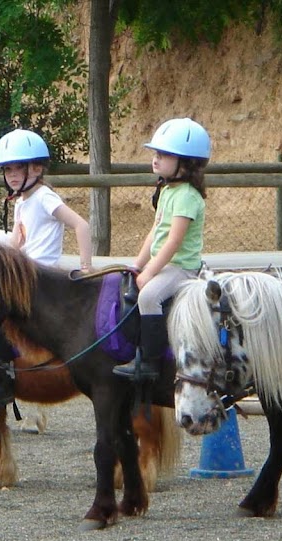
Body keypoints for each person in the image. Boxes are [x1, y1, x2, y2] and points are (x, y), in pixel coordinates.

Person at [0, 129, 94, 411]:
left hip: (41, 277)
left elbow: (81, 225)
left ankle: (2, 383)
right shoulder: (22, 201)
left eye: (18, 168)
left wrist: (86, 269)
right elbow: (16, 243)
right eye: (7, 169)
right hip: (25, 274)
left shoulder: (45, 197)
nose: (11, 175)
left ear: (36, 168)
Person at [113, 117, 210, 381]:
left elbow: (173, 242)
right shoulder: (167, 191)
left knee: (148, 297)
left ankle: (150, 362)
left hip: (181, 268)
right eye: (156, 154)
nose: (155, 159)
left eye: (164, 155)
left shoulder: (188, 197)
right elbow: (155, 232)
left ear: (186, 162)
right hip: (164, 264)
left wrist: (149, 273)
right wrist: (137, 264)